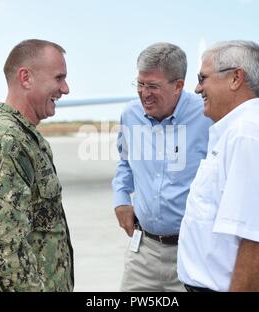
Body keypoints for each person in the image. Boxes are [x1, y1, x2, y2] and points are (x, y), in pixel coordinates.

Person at [0, 39, 73, 292]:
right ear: (26, 78)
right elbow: (4, 247)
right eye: (58, 78)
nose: (65, 89)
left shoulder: (21, 135)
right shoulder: (7, 140)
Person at [178, 40, 259, 292]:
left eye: (202, 77)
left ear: (235, 78)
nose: (197, 88)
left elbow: (258, 241)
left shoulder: (247, 136)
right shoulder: (239, 131)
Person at [112, 42, 212, 291]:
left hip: (193, 253)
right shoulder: (130, 114)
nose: (144, 93)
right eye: (140, 84)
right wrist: (121, 198)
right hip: (143, 251)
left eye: (153, 86)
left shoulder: (207, 117)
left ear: (178, 85)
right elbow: (125, 162)